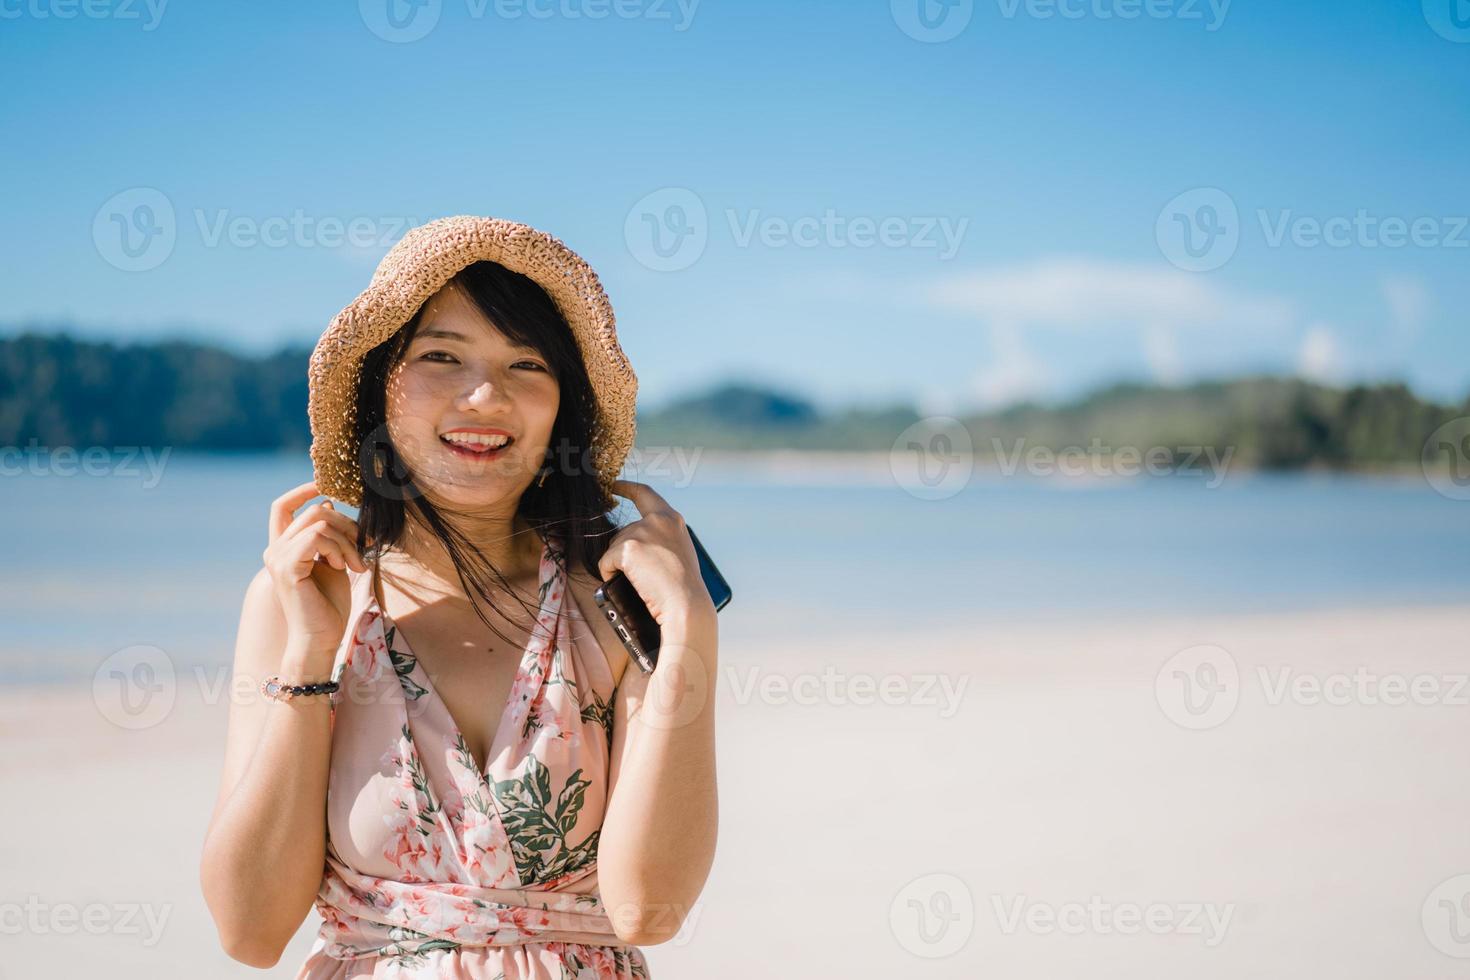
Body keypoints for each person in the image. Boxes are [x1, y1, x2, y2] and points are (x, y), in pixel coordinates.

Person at [200, 216, 720, 979]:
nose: (484, 397)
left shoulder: (616, 600)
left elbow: (652, 908)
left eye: (527, 365)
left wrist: (691, 637)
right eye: (442, 356)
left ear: (561, 408)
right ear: (382, 383)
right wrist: (312, 658)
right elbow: (250, 931)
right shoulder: (311, 601)